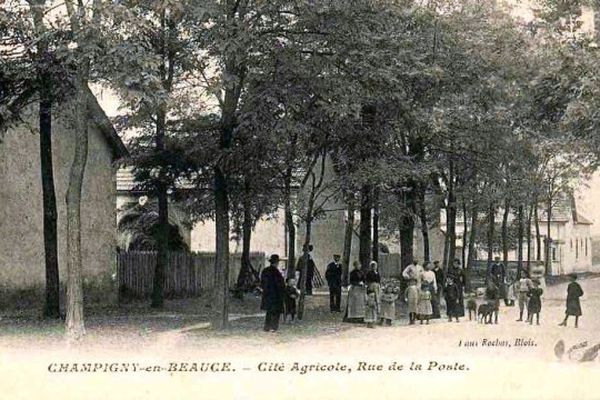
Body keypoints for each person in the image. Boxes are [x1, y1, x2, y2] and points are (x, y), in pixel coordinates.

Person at [260, 254, 286, 332]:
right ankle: (274, 327)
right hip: (276, 295)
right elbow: (280, 284)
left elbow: (262, 283)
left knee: (269, 311)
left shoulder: (265, 271)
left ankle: (267, 327)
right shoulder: (277, 272)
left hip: (267, 294)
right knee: (276, 312)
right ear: (276, 263)